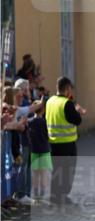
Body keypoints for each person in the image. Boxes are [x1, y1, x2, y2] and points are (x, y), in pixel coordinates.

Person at [46, 76, 85, 205]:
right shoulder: (66, 103)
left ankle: (54, 196)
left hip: (53, 143)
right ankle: (62, 196)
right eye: (70, 89)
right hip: (67, 143)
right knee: (68, 172)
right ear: (67, 89)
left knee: (57, 170)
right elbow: (77, 120)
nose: (71, 92)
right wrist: (78, 111)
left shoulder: (50, 101)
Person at [27, 97, 51, 202]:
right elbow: (47, 136)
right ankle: (42, 192)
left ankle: (36, 193)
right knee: (43, 173)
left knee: (36, 173)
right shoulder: (44, 122)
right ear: (43, 109)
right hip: (44, 150)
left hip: (34, 150)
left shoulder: (30, 122)